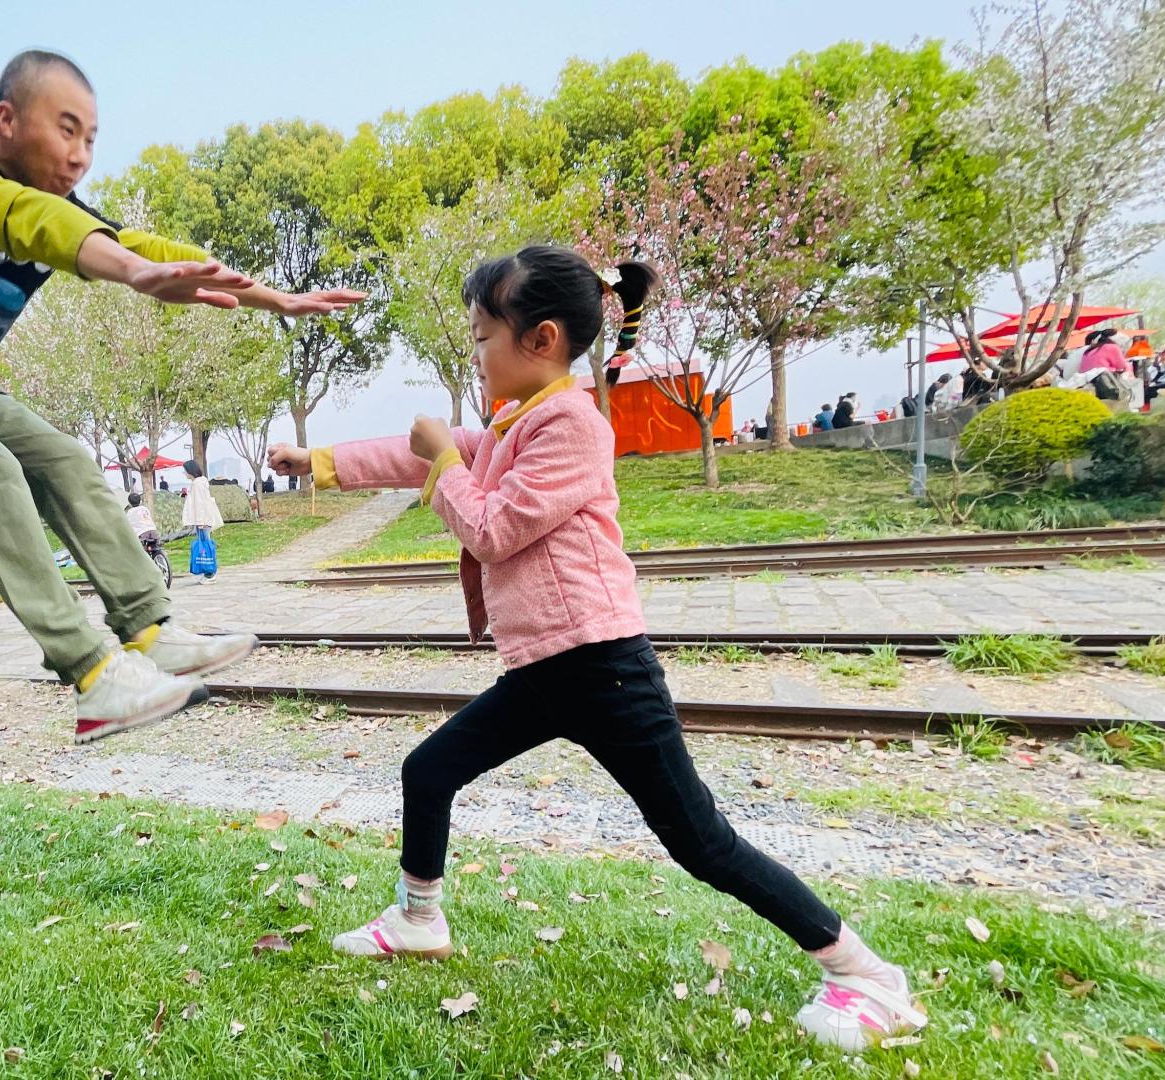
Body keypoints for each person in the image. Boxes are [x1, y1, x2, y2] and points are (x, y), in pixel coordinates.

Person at [267, 246, 925, 1052]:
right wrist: (321, 463)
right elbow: (423, 454)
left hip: (603, 669)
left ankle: (866, 975)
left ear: (539, 339)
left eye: (481, 338)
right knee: (428, 770)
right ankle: (418, 919)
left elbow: (494, 528)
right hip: (546, 672)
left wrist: (442, 456)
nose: (475, 354)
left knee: (699, 840)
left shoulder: (574, 425)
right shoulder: (517, 422)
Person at [0, 51, 357, 741]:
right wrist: (132, 272)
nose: (80, 155)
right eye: (66, 130)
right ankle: (93, 675)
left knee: (63, 459)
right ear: (6, 118)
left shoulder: (62, 205)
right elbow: (30, 221)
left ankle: (151, 630)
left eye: (91, 138)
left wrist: (276, 300)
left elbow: (134, 241)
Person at [180, 460, 223, 583]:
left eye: (185, 471)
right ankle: (208, 572)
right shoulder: (199, 483)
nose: (184, 473)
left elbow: (200, 504)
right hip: (203, 519)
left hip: (202, 520)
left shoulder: (197, 485)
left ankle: (210, 573)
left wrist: (200, 521)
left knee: (205, 546)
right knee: (205, 544)